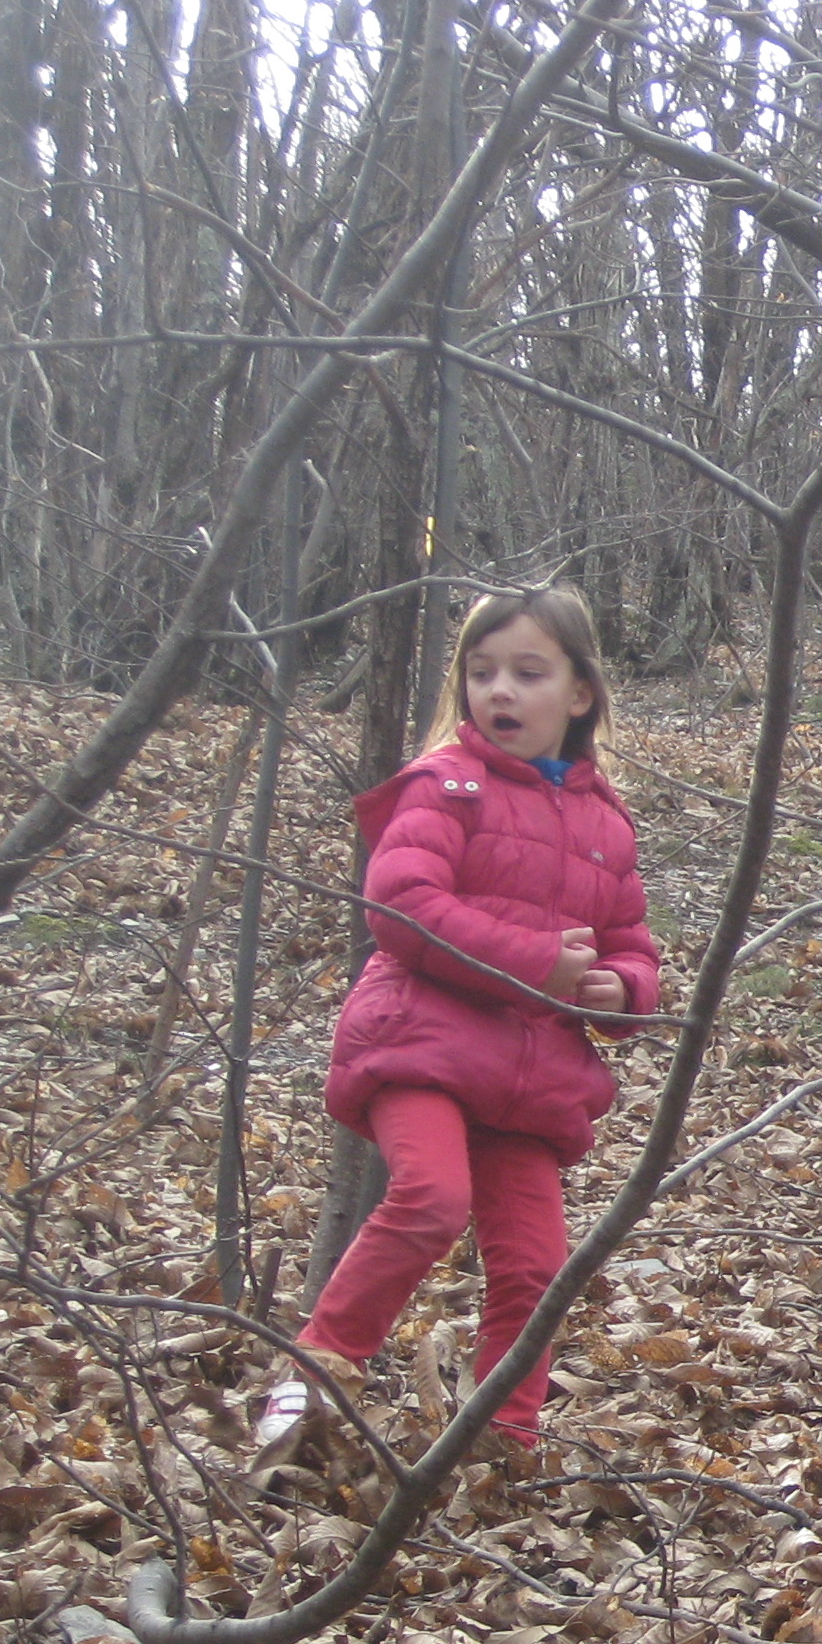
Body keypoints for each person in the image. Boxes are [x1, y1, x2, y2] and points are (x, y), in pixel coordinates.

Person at [256, 586, 661, 1457]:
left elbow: (635, 945)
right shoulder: (448, 784)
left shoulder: (605, 822)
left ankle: (503, 1441)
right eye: (482, 674)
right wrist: (534, 963)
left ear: (580, 693)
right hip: (423, 1046)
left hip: (529, 1080)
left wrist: (622, 992)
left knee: (536, 1271)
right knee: (431, 1199)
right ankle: (314, 1380)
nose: (500, 693)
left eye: (527, 673)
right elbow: (399, 905)